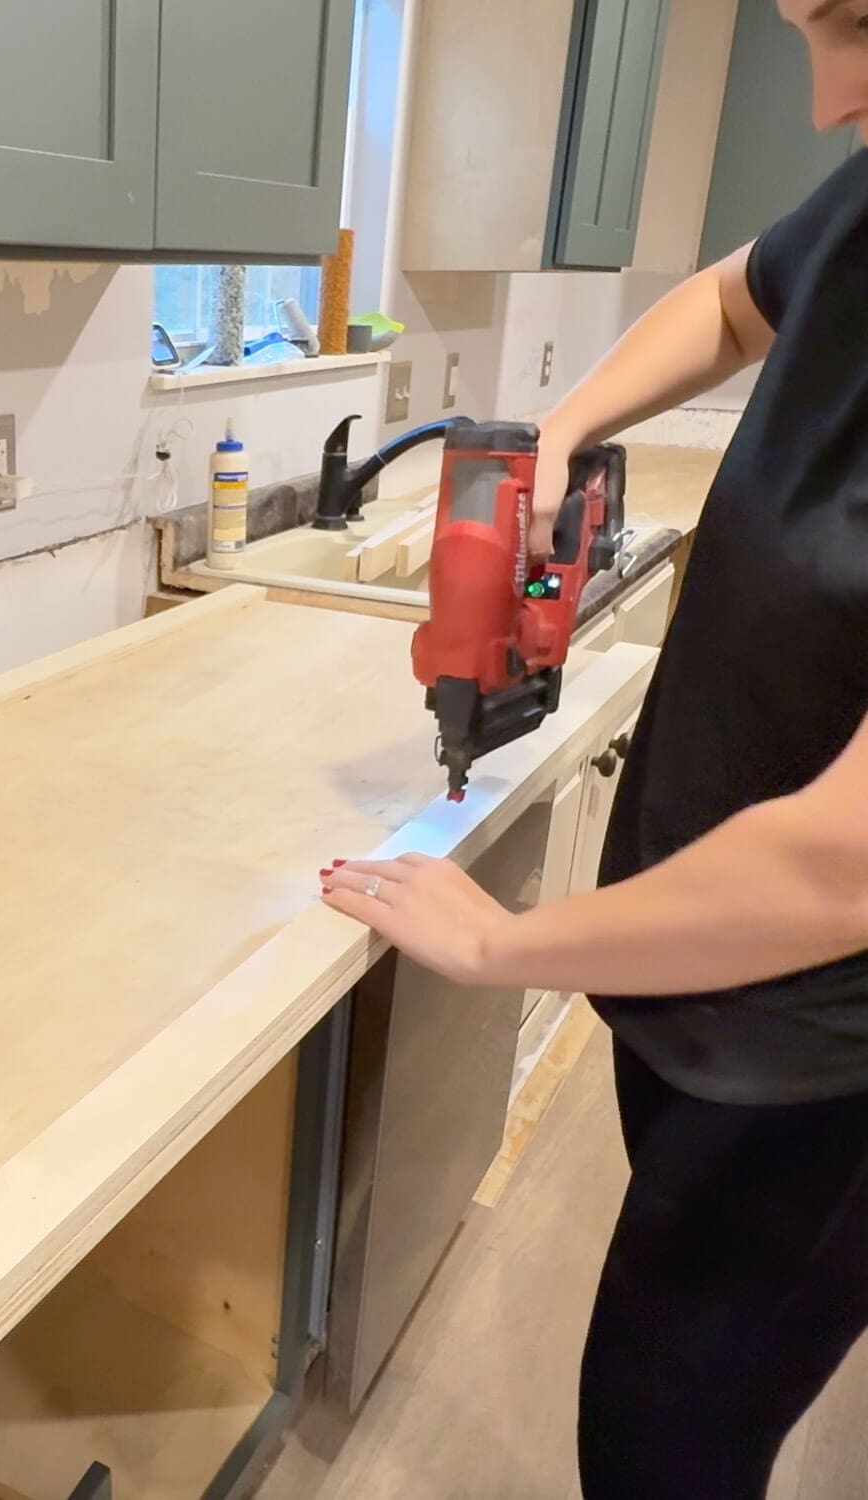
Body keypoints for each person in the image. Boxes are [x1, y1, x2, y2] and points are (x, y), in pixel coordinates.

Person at [321, 2, 868, 1495]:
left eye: (862, 28)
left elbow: (848, 860)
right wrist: (558, 430)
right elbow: (734, 298)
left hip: (817, 1070)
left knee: (662, 1444)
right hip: (700, 985)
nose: (824, 103)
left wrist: (511, 947)